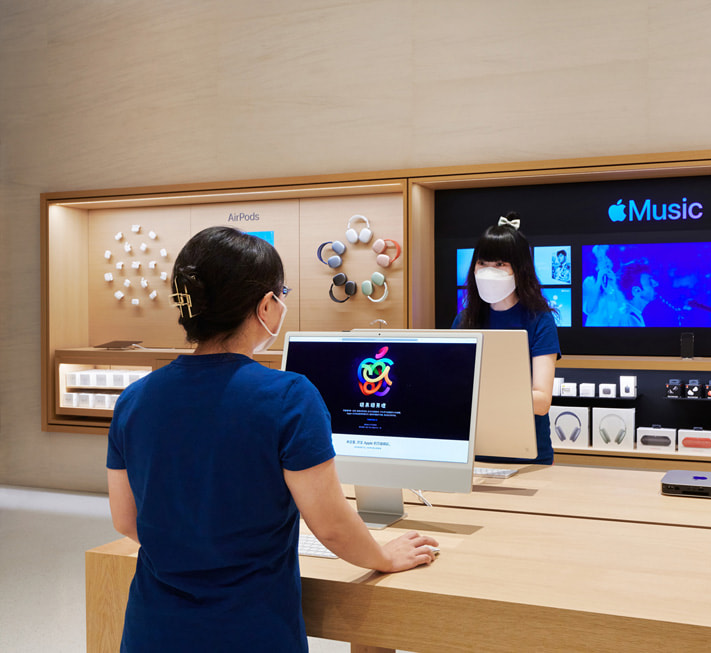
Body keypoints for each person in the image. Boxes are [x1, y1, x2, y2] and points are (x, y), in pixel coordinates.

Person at [106, 226, 438, 653]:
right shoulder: (289, 397)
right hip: (250, 631)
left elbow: (126, 520)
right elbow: (333, 527)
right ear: (267, 305)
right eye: (281, 293)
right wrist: (384, 556)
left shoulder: (134, 399)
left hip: (153, 631)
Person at [453, 213, 561, 465]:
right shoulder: (463, 321)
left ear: (519, 269)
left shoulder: (540, 321)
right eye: (483, 262)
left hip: (527, 456)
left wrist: (478, 396)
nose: (489, 271)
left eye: (500, 264)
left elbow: (541, 401)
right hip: (473, 455)